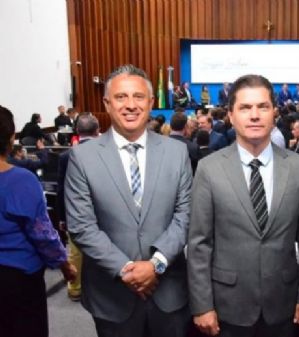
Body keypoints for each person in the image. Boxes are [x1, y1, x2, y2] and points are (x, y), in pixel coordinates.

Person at [188, 74, 299, 337]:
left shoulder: (298, 167)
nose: (254, 115)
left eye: (262, 107)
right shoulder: (209, 169)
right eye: (245, 107)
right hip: (227, 305)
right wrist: (202, 305)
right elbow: (199, 243)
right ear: (231, 114)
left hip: (284, 304)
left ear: (274, 112)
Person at [65, 64, 192, 337]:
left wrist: (156, 264)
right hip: (112, 296)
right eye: (121, 97)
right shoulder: (82, 157)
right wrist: (126, 270)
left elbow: (185, 215)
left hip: (168, 291)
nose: (130, 105)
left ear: (151, 102)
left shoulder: (176, 152)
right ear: (107, 104)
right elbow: (81, 226)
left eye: (138, 97)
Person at [0, 105, 76, 337]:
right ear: (12, 137)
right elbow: (42, 234)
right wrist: (65, 265)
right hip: (17, 279)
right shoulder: (21, 180)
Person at [57, 114, 100, 301]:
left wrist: (61, 217)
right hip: (101, 212)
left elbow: (61, 189)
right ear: (98, 131)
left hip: (74, 213)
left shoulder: (65, 156)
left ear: (76, 132)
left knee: (75, 253)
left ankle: (75, 288)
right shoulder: (105, 153)